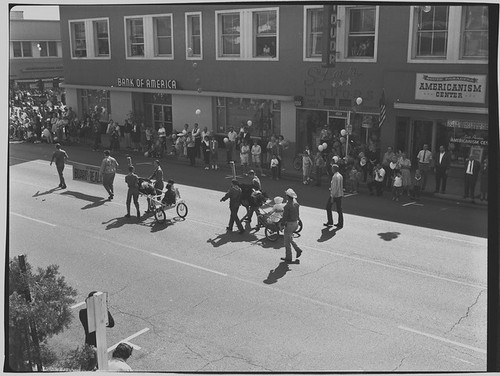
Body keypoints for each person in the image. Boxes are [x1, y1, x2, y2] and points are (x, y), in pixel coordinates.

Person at [280, 188, 302, 263]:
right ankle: (297, 249)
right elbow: (298, 214)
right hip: (295, 223)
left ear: (287, 197)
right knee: (290, 238)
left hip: (289, 224)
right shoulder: (296, 204)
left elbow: (284, 217)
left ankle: (288, 257)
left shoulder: (287, 206)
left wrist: (282, 225)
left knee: (286, 242)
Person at [324, 164, 344, 228]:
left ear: (334, 169)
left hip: (335, 195)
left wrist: (332, 196)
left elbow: (335, 187)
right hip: (340, 194)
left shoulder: (335, 177)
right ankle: (340, 223)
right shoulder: (340, 175)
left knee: (328, 207)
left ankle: (330, 221)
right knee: (339, 209)